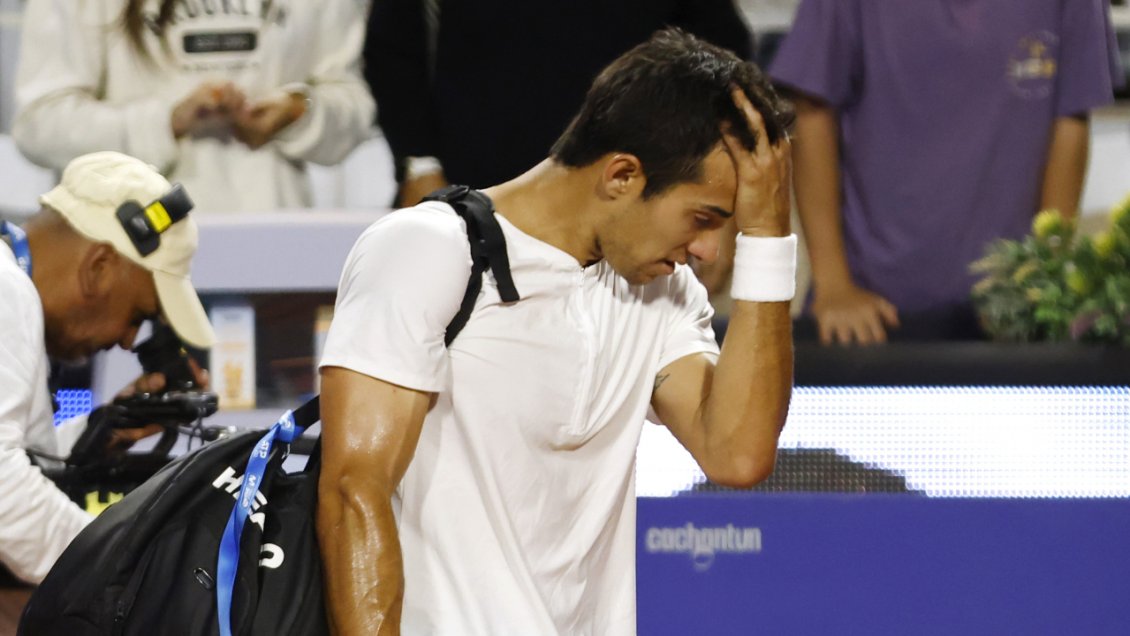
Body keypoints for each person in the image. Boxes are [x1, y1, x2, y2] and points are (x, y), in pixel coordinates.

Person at [318, 29, 795, 634]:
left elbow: (738, 453)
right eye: (703, 218)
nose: (705, 250)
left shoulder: (663, 290)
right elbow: (354, 495)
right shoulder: (427, 250)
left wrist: (770, 236)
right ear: (621, 175)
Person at [769, 0, 1122, 345]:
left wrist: (1046, 279)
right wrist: (834, 286)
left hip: (1011, 316)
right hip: (872, 312)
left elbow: (1071, 115)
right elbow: (813, 108)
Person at [0, 151, 214, 584]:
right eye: (137, 315)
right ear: (98, 268)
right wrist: (137, 578)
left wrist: (105, 430)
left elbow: (21, 461)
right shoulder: (7, 292)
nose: (128, 339)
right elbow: (5, 490)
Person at [365, 0, 755, 207]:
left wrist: (709, 198)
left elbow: (719, 60)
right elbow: (394, 49)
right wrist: (419, 164)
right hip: (473, 195)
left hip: (630, 204)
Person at [12, 0, 374, 214]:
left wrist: (298, 112)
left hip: (274, 247)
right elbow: (40, 122)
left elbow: (354, 103)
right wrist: (164, 122)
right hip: (128, 257)